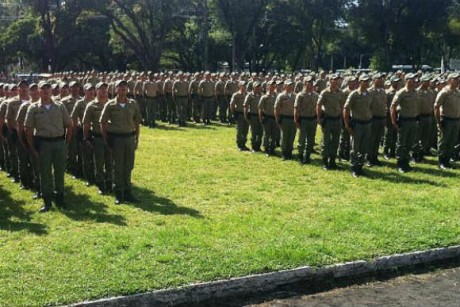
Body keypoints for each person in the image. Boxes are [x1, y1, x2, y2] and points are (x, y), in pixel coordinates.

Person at [25, 81, 73, 212]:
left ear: (51, 91)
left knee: (59, 172)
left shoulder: (60, 106)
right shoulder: (33, 108)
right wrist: (33, 148)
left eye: (48, 88)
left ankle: (60, 199)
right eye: (43, 88)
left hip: (59, 143)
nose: (45, 91)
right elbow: (28, 129)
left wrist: (66, 143)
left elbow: (69, 124)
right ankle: (47, 201)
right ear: (38, 91)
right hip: (43, 143)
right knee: (45, 173)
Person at [100, 80, 141, 204]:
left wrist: (137, 139)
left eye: (125, 87)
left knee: (128, 166)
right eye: (120, 87)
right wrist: (107, 139)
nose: (123, 89)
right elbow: (103, 123)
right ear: (116, 89)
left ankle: (128, 191)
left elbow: (137, 122)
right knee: (117, 167)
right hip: (116, 139)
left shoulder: (133, 104)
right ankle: (119, 193)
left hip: (129, 138)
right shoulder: (110, 105)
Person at [83, 82, 113, 194]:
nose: (103, 91)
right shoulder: (91, 106)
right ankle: (100, 184)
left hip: (110, 137)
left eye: (105, 89)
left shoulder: (111, 104)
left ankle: (110, 182)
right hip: (97, 137)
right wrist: (87, 139)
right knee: (99, 162)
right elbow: (86, 124)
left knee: (110, 161)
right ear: (96, 90)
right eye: (101, 89)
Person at [343, 74, 373, 177]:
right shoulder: (354, 94)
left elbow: (371, 107)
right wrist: (347, 124)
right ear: (360, 82)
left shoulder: (369, 94)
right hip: (357, 124)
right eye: (364, 81)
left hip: (367, 124)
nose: (367, 83)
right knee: (355, 147)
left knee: (364, 147)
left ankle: (360, 166)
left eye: (367, 81)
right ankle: (354, 168)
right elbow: (346, 109)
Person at [390, 73, 419, 173]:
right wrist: (394, 121)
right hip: (404, 121)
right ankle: (400, 164)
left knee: (409, 143)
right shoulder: (401, 92)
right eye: (411, 80)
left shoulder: (415, 92)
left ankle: (406, 162)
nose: (413, 82)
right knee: (401, 143)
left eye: (414, 80)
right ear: (406, 81)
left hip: (413, 121)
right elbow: (393, 106)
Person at [317, 74, 345, 170]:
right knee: (326, 141)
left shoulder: (340, 93)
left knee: (335, 141)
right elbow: (319, 105)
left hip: (337, 120)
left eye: (338, 80)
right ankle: (325, 161)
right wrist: (319, 119)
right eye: (334, 80)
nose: (336, 82)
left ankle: (332, 161)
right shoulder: (325, 92)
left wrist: (342, 119)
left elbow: (342, 106)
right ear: (330, 81)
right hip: (327, 120)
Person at [434, 72, 460, 169]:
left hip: (456, 120)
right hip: (446, 119)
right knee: (444, 142)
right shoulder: (444, 92)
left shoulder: (457, 92)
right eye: (455, 79)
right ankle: (441, 161)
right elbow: (436, 106)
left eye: (458, 79)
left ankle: (447, 160)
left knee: (452, 141)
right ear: (449, 80)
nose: (457, 81)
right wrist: (438, 121)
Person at [294, 76, 318, 164]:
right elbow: (296, 108)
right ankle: (300, 156)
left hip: (313, 120)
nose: (310, 84)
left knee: (311, 140)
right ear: (305, 83)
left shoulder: (316, 95)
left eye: (312, 83)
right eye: (308, 82)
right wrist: (296, 120)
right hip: (303, 120)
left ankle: (307, 156)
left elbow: (318, 107)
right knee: (302, 140)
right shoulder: (300, 95)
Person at [274, 79, 296, 160]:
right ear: (285, 86)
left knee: (292, 136)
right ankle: (284, 153)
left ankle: (289, 152)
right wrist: (278, 119)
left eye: (291, 85)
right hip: (284, 118)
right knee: (284, 136)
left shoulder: (295, 96)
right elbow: (276, 108)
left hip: (293, 119)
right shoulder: (281, 96)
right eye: (289, 85)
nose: (290, 87)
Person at [368, 73, 387, 166]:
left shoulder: (383, 91)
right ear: (373, 80)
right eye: (378, 79)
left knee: (378, 139)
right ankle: (369, 158)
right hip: (373, 118)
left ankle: (375, 157)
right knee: (371, 139)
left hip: (381, 118)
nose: (380, 81)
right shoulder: (370, 91)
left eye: (381, 79)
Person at [258, 80, 279, 156]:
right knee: (267, 134)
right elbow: (260, 108)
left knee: (274, 134)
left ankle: (272, 148)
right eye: (270, 85)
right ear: (267, 86)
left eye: (274, 85)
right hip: (267, 118)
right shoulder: (264, 97)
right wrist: (261, 119)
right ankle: (266, 149)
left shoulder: (277, 96)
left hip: (275, 118)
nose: (272, 87)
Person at [243, 81, 263, 152]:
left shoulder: (262, 95)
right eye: (257, 87)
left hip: (260, 116)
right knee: (254, 132)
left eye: (259, 87)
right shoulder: (250, 95)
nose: (258, 88)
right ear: (254, 87)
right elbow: (245, 106)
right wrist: (246, 116)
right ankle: (253, 146)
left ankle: (258, 146)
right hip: (253, 115)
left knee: (260, 132)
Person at [230, 81, 249, 151]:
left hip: (246, 114)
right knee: (240, 130)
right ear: (239, 86)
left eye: (245, 85)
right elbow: (232, 104)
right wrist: (234, 113)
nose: (244, 87)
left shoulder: (248, 94)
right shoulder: (236, 95)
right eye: (243, 85)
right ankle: (239, 144)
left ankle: (244, 144)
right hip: (239, 114)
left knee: (245, 130)